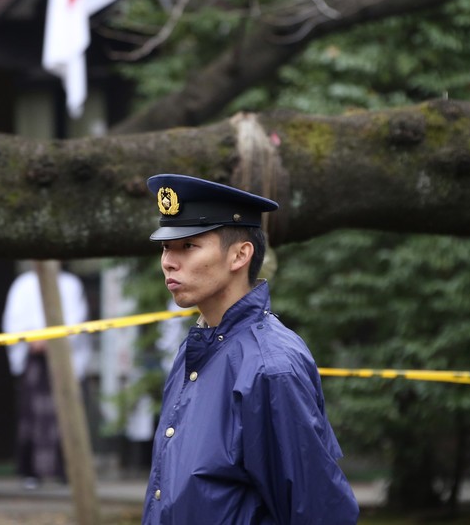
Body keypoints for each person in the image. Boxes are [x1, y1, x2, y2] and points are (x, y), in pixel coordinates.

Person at [142, 174, 359, 525]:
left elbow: (317, 509)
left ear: (240, 255)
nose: (168, 261)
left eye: (188, 246)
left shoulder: (270, 366)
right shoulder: (195, 349)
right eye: (166, 247)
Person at [1, 262, 91, 489]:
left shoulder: (70, 284)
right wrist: (32, 339)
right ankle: (31, 471)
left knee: (65, 414)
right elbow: (12, 321)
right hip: (33, 357)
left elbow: (77, 319)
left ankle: (66, 469)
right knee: (31, 415)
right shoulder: (22, 285)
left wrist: (52, 341)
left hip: (63, 357)